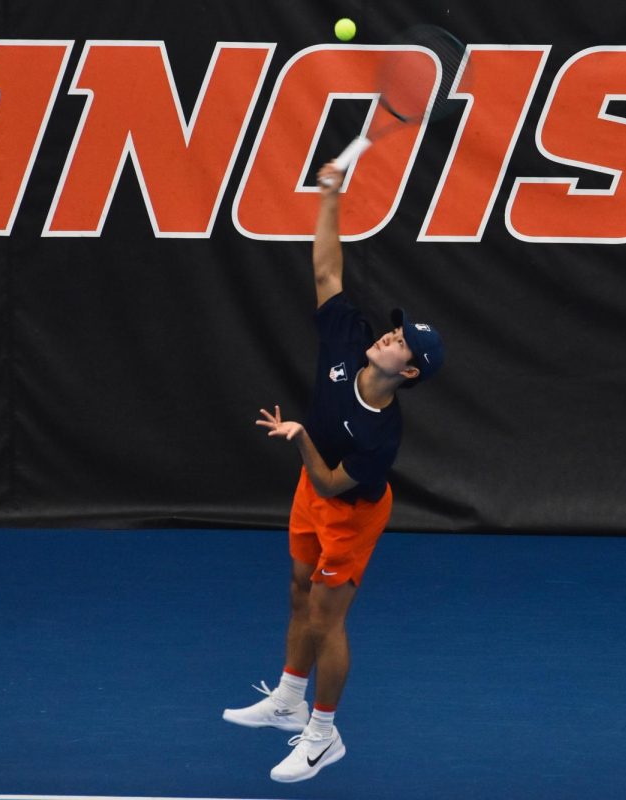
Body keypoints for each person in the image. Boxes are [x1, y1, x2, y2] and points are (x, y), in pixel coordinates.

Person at [221, 162, 445, 783]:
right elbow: (326, 270)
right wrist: (328, 196)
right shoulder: (349, 341)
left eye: (401, 342)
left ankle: (324, 734)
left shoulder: (380, 435)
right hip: (311, 487)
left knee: (327, 616)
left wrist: (297, 438)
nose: (390, 336)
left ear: (410, 373)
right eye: (395, 330)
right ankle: (288, 701)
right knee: (297, 589)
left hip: (348, 509)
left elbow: (329, 483)